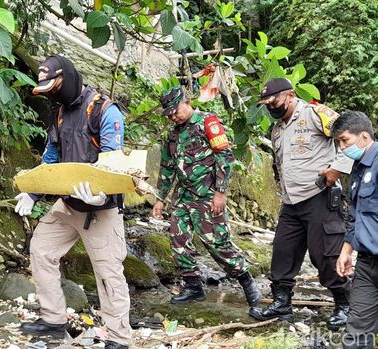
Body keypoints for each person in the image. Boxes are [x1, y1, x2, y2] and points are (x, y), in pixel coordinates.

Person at [14, 55, 130, 349]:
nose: (52, 94)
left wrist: (102, 192)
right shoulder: (59, 114)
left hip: (101, 209)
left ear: (67, 78)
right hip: (67, 204)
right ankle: (53, 320)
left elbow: (114, 163)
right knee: (40, 249)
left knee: (108, 272)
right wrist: (33, 191)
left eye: (54, 87)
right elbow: (51, 158)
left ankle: (118, 337)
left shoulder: (104, 111)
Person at [249, 78, 353, 330]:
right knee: (283, 253)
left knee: (326, 256)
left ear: (291, 95)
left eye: (275, 101)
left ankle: (346, 305)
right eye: (266, 104)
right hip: (291, 203)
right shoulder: (277, 129)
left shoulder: (315, 114)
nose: (271, 107)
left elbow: (351, 136)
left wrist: (336, 170)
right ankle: (282, 303)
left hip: (320, 198)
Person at [151, 86, 262, 308]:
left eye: (176, 110)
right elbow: (167, 167)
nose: (173, 116)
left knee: (216, 243)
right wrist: (160, 198)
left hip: (208, 194)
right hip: (182, 196)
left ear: (187, 102)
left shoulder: (207, 122)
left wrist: (220, 193)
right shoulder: (172, 134)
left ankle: (245, 279)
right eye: (169, 113)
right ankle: (193, 286)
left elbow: (225, 156)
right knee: (178, 240)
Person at [332, 111, 378, 349]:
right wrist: (346, 249)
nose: (341, 147)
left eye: (344, 141)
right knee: (356, 331)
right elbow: (356, 214)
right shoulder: (358, 168)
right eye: (338, 142)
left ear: (363, 137)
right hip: (367, 264)